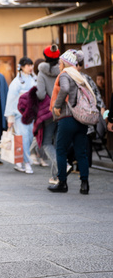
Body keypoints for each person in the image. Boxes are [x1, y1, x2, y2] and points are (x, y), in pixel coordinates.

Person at [48, 49, 94, 194]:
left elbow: (65, 88)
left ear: (65, 63)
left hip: (67, 117)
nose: (59, 64)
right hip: (81, 119)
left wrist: (57, 105)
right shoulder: (79, 76)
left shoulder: (65, 74)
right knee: (81, 152)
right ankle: (84, 184)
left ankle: (62, 183)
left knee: (61, 150)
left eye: (60, 62)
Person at [5, 57, 36, 173]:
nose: (30, 68)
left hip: (31, 114)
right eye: (28, 65)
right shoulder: (17, 82)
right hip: (19, 115)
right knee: (22, 139)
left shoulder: (33, 79)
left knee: (28, 138)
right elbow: (11, 100)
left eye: (31, 65)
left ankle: (19, 162)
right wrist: (10, 116)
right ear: (22, 67)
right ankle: (27, 163)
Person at [75, 51, 106, 167]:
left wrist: (102, 108)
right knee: (83, 138)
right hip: (84, 114)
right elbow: (97, 95)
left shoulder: (81, 78)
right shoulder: (85, 77)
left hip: (81, 114)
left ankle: (81, 165)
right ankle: (83, 165)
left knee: (80, 139)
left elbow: (96, 95)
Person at [36, 45, 61, 184]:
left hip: (48, 112)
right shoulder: (62, 71)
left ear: (45, 57)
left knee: (46, 142)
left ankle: (63, 165)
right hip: (62, 110)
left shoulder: (41, 72)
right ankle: (55, 176)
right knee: (58, 144)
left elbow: (40, 94)